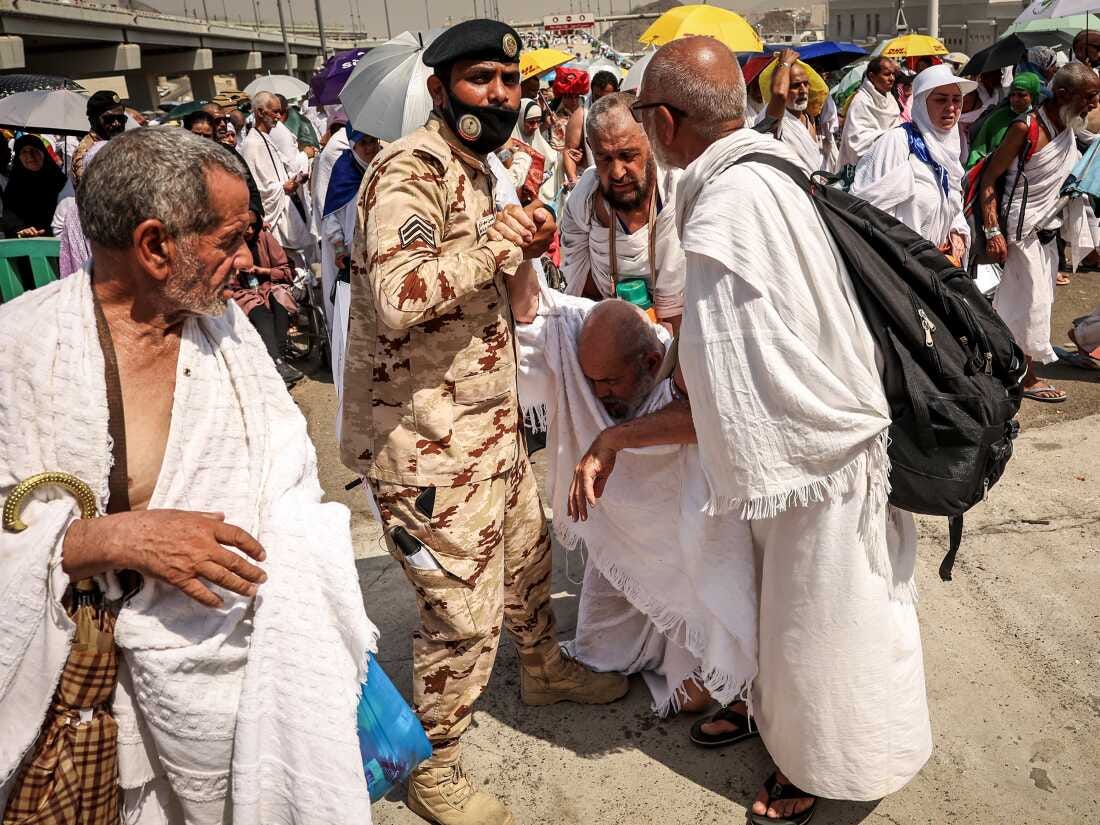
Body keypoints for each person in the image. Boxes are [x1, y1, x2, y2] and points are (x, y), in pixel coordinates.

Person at [0, 126, 377, 824]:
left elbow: (289, 476)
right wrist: (109, 540)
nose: (244, 260)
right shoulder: (19, 351)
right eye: (231, 239)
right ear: (154, 246)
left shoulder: (227, 334)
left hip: (231, 692)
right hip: (83, 695)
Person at [631, 36, 931, 823]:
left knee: (826, 633)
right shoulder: (768, 166)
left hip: (816, 460)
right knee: (818, 621)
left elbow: (731, 393)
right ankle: (800, 738)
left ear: (664, 121)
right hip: (831, 444)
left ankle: (834, 769)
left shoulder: (727, 208)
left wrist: (622, 435)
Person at [340, 20, 627, 825]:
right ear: (440, 90)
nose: (500, 94)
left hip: (484, 426)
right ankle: (435, 763)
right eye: (480, 80)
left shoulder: (476, 169)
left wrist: (520, 238)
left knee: (531, 561)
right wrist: (502, 247)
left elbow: (486, 282)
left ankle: (542, 668)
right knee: (461, 616)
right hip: (424, 441)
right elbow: (400, 297)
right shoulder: (410, 170)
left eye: (509, 80)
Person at [508, 270, 758, 719]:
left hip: (687, 540)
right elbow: (535, 315)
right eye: (593, 383)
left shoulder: (682, 369)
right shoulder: (586, 345)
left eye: (610, 384)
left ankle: (717, 669)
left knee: (706, 612)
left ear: (649, 360)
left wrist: (616, 440)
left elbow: (707, 421)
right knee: (600, 644)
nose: (598, 396)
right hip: (620, 541)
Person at [981, 63, 1100, 403]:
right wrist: (992, 230)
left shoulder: (1068, 126)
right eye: (1089, 97)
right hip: (1022, 230)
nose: (1093, 105)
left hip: (1047, 230)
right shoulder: (1025, 127)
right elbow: (990, 179)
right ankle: (1026, 378)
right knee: (1029, 305)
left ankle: (1008, 366)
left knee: (1034, 303)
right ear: (1063, 94)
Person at [559, 92, 685, 331]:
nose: (617, 172)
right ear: (591, 148)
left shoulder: (678, 194)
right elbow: (577, 281)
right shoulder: (584, 202)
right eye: (604, 158)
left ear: (650, 140)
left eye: (627, 156)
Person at [851, 64, 977, 265]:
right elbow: (868, 212)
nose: (951, 107)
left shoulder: (950, 148)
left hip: (938, 268)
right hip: (901, 269)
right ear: (921, 103)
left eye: (956, 99)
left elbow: (951, 204)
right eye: (941, 99)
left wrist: (957, 232)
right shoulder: (897, 143)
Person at [321, 129, 382, 387]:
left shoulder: (382, 165)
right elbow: (330, 215)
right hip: (351, 254)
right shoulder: (344, 170)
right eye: (363, 143)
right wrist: (338, 248)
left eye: (373, 141)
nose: (369, 148)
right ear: (353, 146)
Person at [239, 91, 314, 267]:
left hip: (287, 208)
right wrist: (283, 187)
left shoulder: (265, 137)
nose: (279, 117)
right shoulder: (251, 144)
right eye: (274, 112)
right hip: (274, 215)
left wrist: (295, 179)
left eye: (280, 112)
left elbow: (281, 168)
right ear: (259, 112)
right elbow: (256, 187)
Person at [229, 213, 303, 387]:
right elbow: (227, 283)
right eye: (246, 227)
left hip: (270, 285)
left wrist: (262, 271)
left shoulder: (264, 237)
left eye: (253, 226)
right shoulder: (230, 246)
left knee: (279, 302)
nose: (250, 231)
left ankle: (278, 359)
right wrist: (237, 273)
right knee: (262, 314)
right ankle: (278, 361)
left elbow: (285, 271)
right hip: (244, 292)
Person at [756, 49, 836, 174]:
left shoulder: (808, 117)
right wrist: (785, 63)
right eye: (795, 85)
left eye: (805, 84)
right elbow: (779, 94)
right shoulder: (775, 119)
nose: (803, 90)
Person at [966, 72, 1043, 168]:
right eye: (1012, 95)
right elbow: (978, 150)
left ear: (1033, 96)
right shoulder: (998, 117)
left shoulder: (1039, 120)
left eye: (1021, 95)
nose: (1015, 99)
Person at [837, 57, 902, 168]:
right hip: (866, 167)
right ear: (872, 76)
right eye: (886, 74)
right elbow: (856, 143)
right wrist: (889, 139)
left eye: (893, 74)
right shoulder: (861, 102)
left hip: (893, 161)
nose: (892, 78)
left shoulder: (890, 99)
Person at [2, 134, 67, 238]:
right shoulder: (14, 185)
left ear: (43, 152)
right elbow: (9, 216)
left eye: (34, 150)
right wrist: (21, 230)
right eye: (24, 152)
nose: (30, 156)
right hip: (25, 244)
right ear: (18, 157)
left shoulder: (59, 180)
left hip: (58, 241)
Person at [72, 90, 126, 185]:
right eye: (109, 119)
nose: (116, 123)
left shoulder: (116, 143)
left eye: (121, 119)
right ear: (93, 120)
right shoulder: (88, 154)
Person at [555, 67, 591, 187]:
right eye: (569, 96)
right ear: (562, 97)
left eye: (576, 96)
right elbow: (558, 148)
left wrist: (583, 157)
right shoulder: (555, 119)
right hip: (559, 169)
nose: (573, 100)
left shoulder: (586, 115)